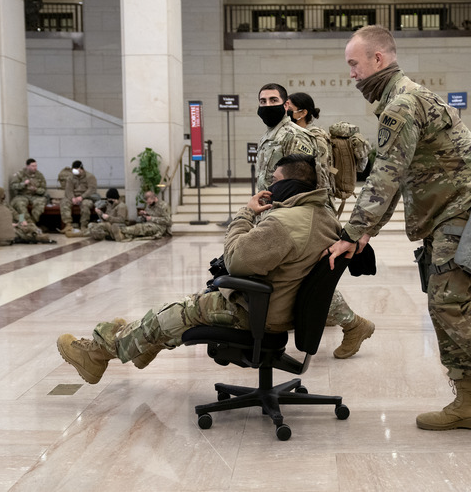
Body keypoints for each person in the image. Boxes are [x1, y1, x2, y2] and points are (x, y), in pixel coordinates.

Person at [328, 25, 471, 435]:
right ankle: (469, 401)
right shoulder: (402, 97)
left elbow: (386, 176)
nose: (352, 74)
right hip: (447, 211)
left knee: (450, 303)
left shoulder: (402, 104)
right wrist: (363, 232)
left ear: (379, 59)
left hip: (459, 210)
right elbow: (397, 171)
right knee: (440, 302)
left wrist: (353, 230)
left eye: (354, 64)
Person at [57, 154, 341, 384]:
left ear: (291, 184)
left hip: (258, 312)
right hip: (282, 309)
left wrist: (245, 213)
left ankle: (96, 355)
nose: (270, 185)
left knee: (177, 310)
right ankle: (139, 343)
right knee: (189, 307)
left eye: (275, 180)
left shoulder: (285, 223)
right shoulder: (325, 218)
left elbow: (235, 260)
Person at [280, 90, 376, 359]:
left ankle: (353, 324)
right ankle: (335, 317)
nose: (285, 109)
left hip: (302, 212)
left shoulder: (306, 138)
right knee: (304, 273)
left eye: (289, 105)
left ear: (303, 111)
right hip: (287, 211)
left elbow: (308, 180)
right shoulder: (286, 133)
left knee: (303, 274)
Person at [60, 160, 98, 235]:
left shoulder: (90, 177)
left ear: (81, 169)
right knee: (64, 202)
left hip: (86, 197)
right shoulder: (70, 177)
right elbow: (68, 189)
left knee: (86, 205)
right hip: (74, 196)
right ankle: (68, 224)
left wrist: (82, 197)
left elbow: (92, 189)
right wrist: (72, 198)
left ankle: (83, 226)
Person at [9, 158, 49, 226]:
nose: (35, 168)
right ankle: (24, 222)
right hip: (22, 195)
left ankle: (32, 223)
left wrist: (36, 190)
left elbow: (43, 189)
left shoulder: (39, 175)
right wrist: (23, 184)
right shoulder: (20, 174)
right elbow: (13, 186)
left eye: (36, 166)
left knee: (40, 204)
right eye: (33, 166)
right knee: (19, 205)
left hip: (35, 195)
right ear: (27, 166)